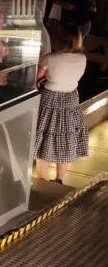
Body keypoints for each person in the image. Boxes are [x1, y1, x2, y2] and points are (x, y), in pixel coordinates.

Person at [35, 21, 90, 183]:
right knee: (66, 139)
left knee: (45, 137)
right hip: (71, 99)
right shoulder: (82, 58)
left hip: (50, 98)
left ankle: (41, 179)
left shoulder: (50, 58)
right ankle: (59, 179)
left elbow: (38, 78)